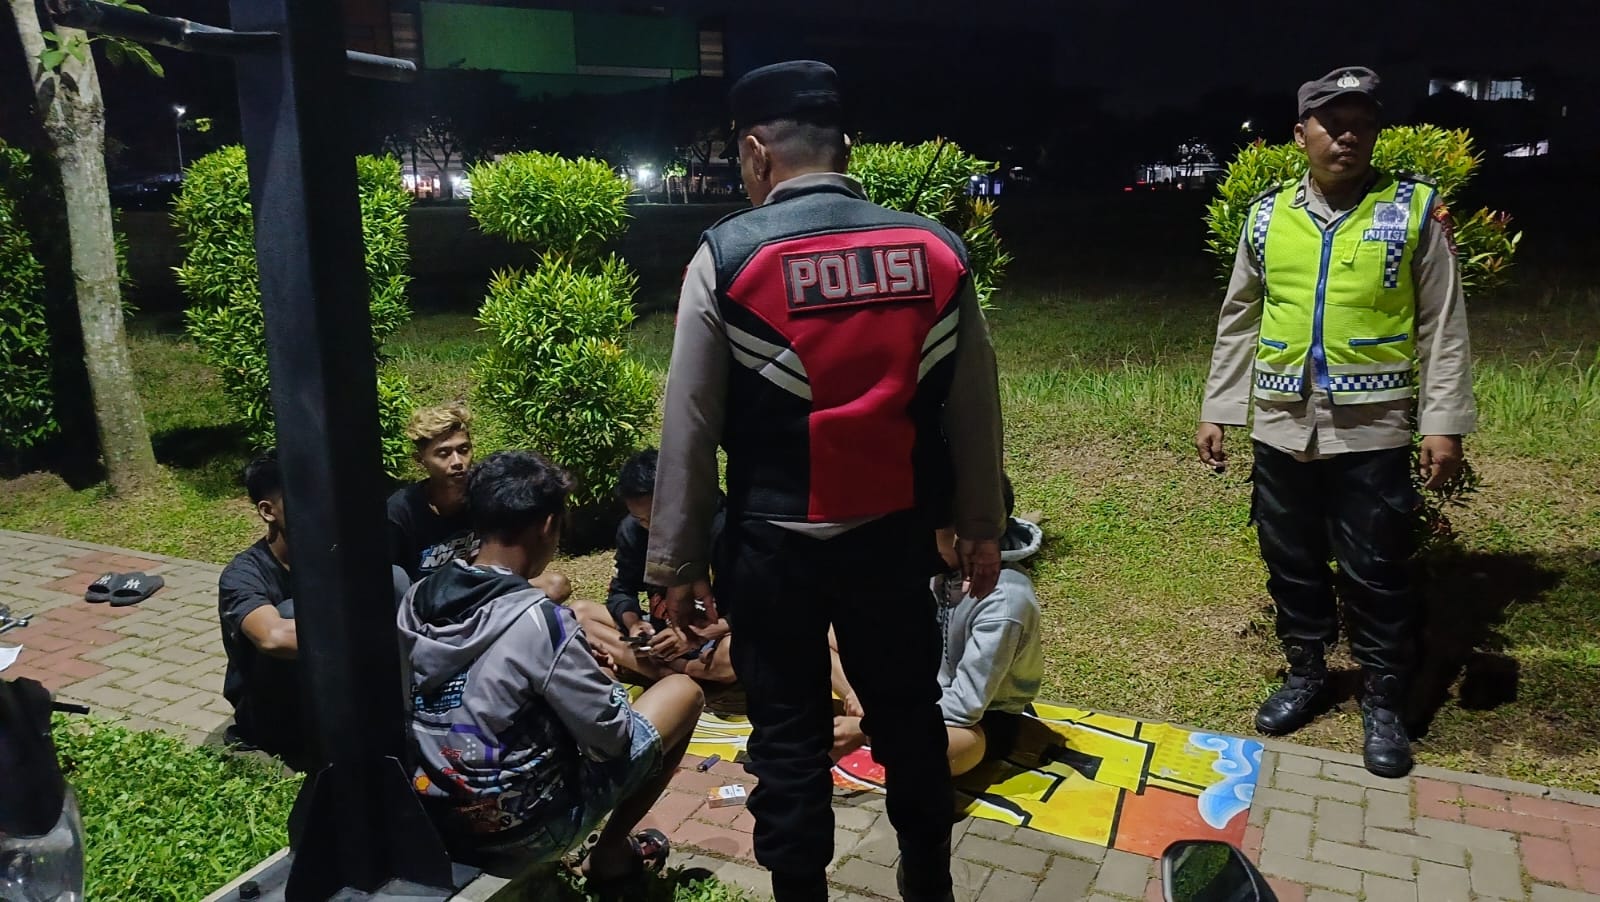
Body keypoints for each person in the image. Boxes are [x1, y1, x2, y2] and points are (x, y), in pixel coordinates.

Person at [644, 61, 1007, 902]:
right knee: (910, 721)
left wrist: (676, 562)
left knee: (788, 740)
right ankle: (929, 885)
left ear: (757, 151)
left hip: (772, 549)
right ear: (845, 145)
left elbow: (689, 422)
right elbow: (974, 408)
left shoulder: (728, 256)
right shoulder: (935, 252)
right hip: (893, 542)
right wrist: (980, 523)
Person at [1196, 67, 1475, 778]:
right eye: (1333, 124)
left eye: (1362, 124)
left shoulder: (1413, 210)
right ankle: (1307, 671)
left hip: (1371, 429)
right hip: (1281, 424)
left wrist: (1443, 421)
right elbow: (1240, 316)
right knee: (1289, 559)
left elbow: (1443, 325)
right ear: (1301, 134)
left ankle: (1383, 699)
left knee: (1375, 568)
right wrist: (1220, 408)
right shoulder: (1266, 216)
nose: (1348, 136)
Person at [397, 450, 704, 883]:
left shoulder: (418, 597)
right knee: (684, 693)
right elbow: (611, 739)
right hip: (525, 831)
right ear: (547, 526)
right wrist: (605, 686)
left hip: (437, 812)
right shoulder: (538, 619)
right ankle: (610, 854)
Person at [831, 476, 1043, 777]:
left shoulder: (1005, 602)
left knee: (926, 750)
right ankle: (872, 716)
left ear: (961, 535)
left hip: (976, 722)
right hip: (912, 693)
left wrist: (872, 722)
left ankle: (879, 732)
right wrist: (870, 691)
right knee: (818, 630)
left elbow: (966, 706)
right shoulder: (938, 564)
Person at [568, 449, 736, 685]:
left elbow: (755, 609)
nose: (650, 528)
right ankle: (671, 673)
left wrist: (694, 635)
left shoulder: (724, 530)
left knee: (730, 656)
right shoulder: (633, 531)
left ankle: (674, 670)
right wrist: (634, 624)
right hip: (660, 632)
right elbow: (621, 590)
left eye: (657, 518)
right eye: (641, 520)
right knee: (577, 613)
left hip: (713, 635)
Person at [388, 403, 571, 600]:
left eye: (463, 449)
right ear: (420, 459)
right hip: (429, 604)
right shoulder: (402, 510)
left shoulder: (485, 494)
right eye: (444, 453)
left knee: (556, 585)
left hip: (483, 591)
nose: (457, 462)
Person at [217, 450, 312, 770]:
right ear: (268, 511)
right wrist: (371, 636)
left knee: (393, 578)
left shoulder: (330, 554)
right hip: (269, 711)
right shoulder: (243, 574)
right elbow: (273, 637)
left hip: (326, 689)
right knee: (289, 613)